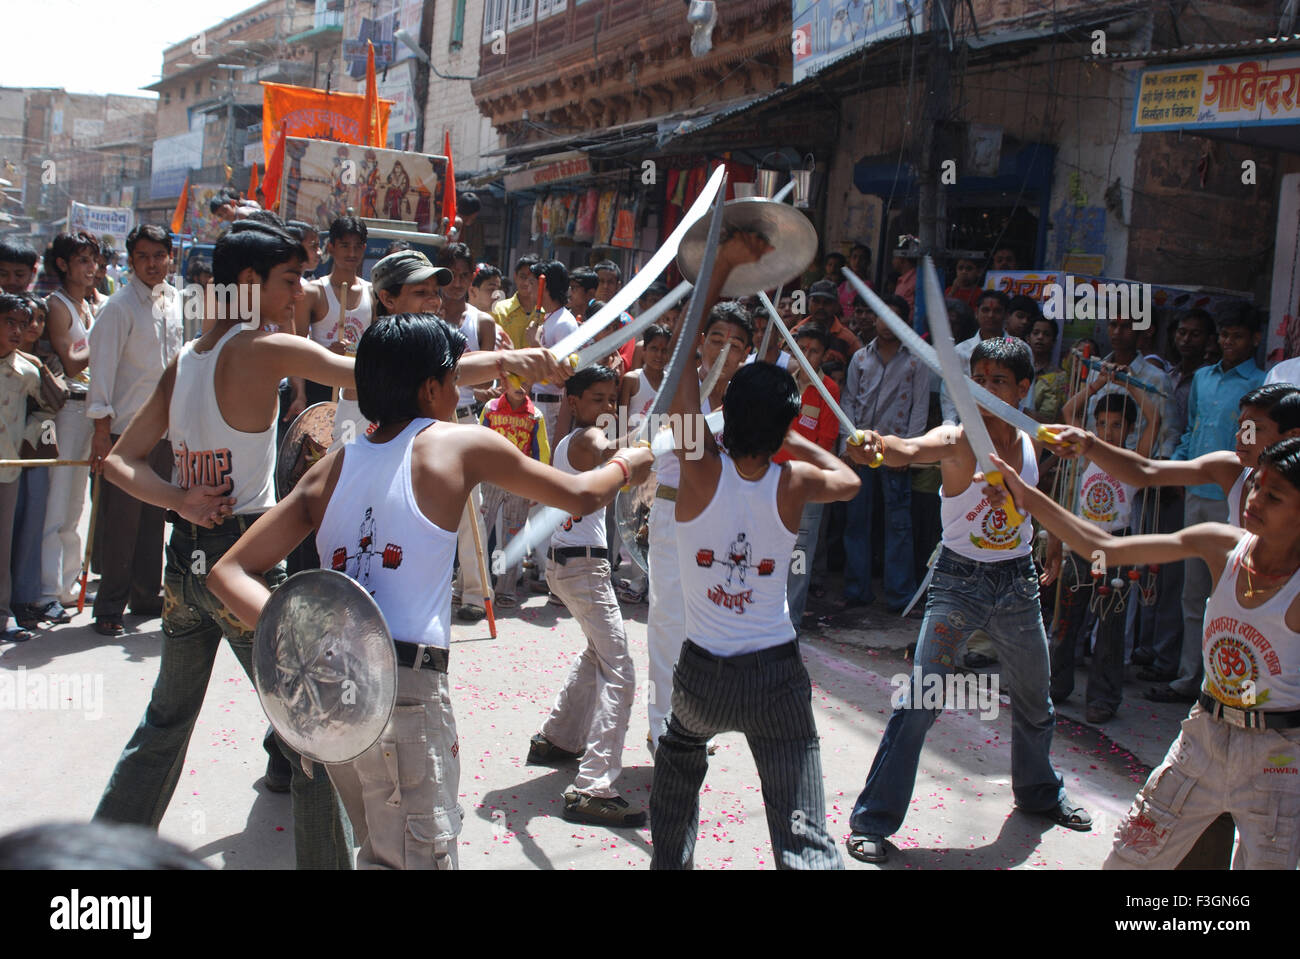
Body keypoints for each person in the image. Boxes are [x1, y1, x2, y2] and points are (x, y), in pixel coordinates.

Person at [208, 314, 653, 868]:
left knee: (377, 850)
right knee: (418, 855)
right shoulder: (459, 445)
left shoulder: (332, 467)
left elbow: (225, 572)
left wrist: (299, 639)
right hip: (405, 693)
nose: (459, 390)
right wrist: (628, 464)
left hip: (333, 696)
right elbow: (582, 495)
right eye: (453, 378)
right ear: (431, 388)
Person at [91, 220, 356, 868]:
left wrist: (178, 498)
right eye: (290, 280)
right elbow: (358, 371)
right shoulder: (263, 347)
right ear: (249, 283)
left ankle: (90, 864)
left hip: (184, 564)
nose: (298, 294)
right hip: (242, 567)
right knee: (312, 734)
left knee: (164, 725)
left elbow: (119, 463)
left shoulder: (187, 359)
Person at [985, 434, 1300, 870]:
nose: (1255, 498)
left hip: (1280, 758)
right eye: (1258, 485)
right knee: (1129, 860)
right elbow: (1106, 550)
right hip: (1204, 737)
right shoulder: (1222, 545)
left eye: (1275, 495)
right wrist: (1029, 497)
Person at [650, 235, 860, 870]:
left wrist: (716, 274)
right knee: (801, 829)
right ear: (784, 425)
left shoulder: (696, 466)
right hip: (775, 677)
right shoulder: (793, 482)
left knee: (678, 768)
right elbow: (849, 481)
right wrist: (790, 434)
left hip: (701, 678)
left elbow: (686, 364)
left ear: (725, 417)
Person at [844, 338, 1093, 864]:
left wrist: (1053, 550)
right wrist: (877, 446)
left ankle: (1039, 793)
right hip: (960, 584)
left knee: (1036, 701)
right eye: (977, 378)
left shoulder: (1032, 439)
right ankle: (871, 821)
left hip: (1019, 584)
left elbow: (1042, 506)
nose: (984, 390)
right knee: (919, 703)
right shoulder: (957, 439)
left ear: (1024, 389)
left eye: (998, 381)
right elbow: (909, 449)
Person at [525, 365, 647, 825]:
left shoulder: (574, 441)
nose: (606, 408)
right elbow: (607, 448)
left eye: (610, 400)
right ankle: (594, 784)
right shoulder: (584, 440)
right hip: (584, 567)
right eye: (596, 399)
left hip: (570, 564)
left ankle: (557, 738)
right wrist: (651, 442)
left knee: (599, 654)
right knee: (620, 670)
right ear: (573, 403)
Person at [646, 302, 751, 751]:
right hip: (675, 514)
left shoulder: (749, 400)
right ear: (701, 343)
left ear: (747, 353)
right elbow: (690, 448)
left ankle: (694, 720)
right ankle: (662, 730)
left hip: (725, 523)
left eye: (737, 344)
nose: (725, 351)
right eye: (716, 339)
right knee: (669, 620)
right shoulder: (678, 390)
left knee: (709, 626)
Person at [1153, 306, 1265, 705]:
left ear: (1253, 339)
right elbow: (1191, 428)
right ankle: (1188, 676)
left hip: (1234, 496)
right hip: (1196, 492)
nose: (1228, 343)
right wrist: (1180, 470)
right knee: (1191, 591)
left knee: (1227, 592)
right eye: (1224, 335)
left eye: (1236, 336)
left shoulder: (1260, 383)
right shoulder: (1202, 377)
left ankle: (1219, 679)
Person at [86, 225, 184, 636]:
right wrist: (101, 432)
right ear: (130, 260)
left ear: (170, 258)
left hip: (164, 429)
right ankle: (110, 605)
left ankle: (146, 595)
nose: (151, 263)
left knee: (152, 517)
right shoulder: (118, 307)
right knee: (122, 523)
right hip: (126, 431)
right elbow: (101, 373)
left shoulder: (176, 301)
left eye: (159, 255)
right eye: (143, 256)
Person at [1048, 385, 1159, 725]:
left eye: (1117, 425)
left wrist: (1130, 384)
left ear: (1129, 430)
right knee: (1066, 619)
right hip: (1083, 545)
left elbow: (1154, 418)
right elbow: (1069, 410)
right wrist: (1097, 383)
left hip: (1117, 547)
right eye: (1102, 423)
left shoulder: (1133, 462)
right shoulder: (1086, 455)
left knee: (1110, 627)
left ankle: (1103, 698)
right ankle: (1056, 685)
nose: (1108, 431)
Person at [839, 294, 929, 613]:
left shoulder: (917, 360)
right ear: (874, 320)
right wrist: (847, 444)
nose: (885, 323)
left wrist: (909, 449)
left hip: (894, 449)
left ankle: (899, 594)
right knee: (857, 521)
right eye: (881, 316)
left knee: (899, 524)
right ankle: (856, 589)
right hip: (861, 447)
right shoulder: (860, 358)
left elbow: (920, 407)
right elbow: (848, 400)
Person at [39, 232, 97, 625]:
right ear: (62, 264)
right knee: (58, 504)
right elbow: (73, 362)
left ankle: (67, 584)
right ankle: (47, 589)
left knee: (78, 505)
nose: (91, 268)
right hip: (68, 411)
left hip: (90, 408)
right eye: (82, 260)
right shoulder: (57, 305)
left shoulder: (87, 305)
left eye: (93, 260)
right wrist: (108, 328)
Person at [440, 242, 498, 624]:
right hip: (428, 419)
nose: (458, 283)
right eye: (453, 275)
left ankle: (475, 592)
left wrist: (481, 387)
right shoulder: (426, 312)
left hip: (464, 418)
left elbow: (491, 374)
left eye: (465, 276)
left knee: (470, 508)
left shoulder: (482, 322)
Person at [776, 323, 841, 634]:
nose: (806, 356)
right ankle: (769, 614)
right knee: (771, 545)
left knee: (800, 552)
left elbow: (826, 440)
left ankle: (792, 619)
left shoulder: (829, 389)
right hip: (772, 477)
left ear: (824, 355)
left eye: (814, 351)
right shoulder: (780, 382)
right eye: (800, 349)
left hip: (808, 483)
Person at [0, 294, 56, 642]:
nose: (19, 330)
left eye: (23, 323)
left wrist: (26, 436)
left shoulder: (28, 370)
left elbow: (47, 408)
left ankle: (3, 613)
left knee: (3, 543)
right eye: (10, 322)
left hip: (7, 467)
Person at [478, 379, 550, 607]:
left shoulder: (535, 415)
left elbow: (541, 452)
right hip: (489, 480)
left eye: (527, 380)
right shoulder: (490, 409)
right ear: (505, 381)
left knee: (512, 537)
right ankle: (473, 585)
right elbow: (477, 443)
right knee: (480, 532)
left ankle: (505, 588)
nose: (522, 385)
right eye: (516, 379)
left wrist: (538, 485)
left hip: (519, 483)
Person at [613, 324, 671, 604]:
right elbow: (622, 418)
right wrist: (624, 453)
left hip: (662, 460)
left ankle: (651, 579)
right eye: (654, 349)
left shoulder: (673, 382)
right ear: (644, 350)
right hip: (635, 455)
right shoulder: (633, 379)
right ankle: (633, 578)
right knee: (629, 516)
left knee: (652, 519)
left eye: (664, 350)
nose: (659, 355)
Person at [303, 217, 371, 414]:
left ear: (364, 248)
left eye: (357, 246)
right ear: (331, 247)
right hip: (320, 385)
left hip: (357, 386)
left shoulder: (372, 293)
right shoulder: (313, 292)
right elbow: (298, 345)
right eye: (344, 246)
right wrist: (327, 354)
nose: (351, 253)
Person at [492, 255, 543, 352]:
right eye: (523, 277)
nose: (526, 283)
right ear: (515, 276)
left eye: (531, 279)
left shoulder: (546, 314)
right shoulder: (498, 310)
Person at [1025, 314, 1066, 423]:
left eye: (1046, 334)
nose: (1040, 337)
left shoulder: (1059, 377)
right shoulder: (1019, 369)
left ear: (1054, 341)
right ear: (1028, 338)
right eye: (1036, 333)